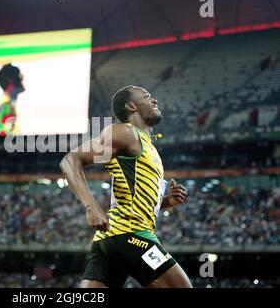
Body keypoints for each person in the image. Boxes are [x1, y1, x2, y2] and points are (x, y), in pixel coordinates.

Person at [60, 85, 192, 288]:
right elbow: (71, 160)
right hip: (131, 234)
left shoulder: (148, 147)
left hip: (112, 238)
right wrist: (91, 206)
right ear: (131, 106)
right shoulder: (126, 133)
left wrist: (166, 202)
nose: (155, 100)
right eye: (148, 97)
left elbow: (135, 198)